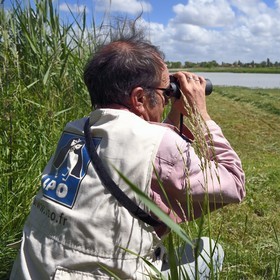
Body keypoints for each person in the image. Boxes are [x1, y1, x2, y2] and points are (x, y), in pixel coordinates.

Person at [10, 33, 245, 279]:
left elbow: (148, 147)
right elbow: (234, 183)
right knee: (209, 250)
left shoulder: (75, 130)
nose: (167, 99)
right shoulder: (158, 145)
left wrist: (171, 107)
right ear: (140, 98)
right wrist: (200, 115)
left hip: (33, 269)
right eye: (165, 93)